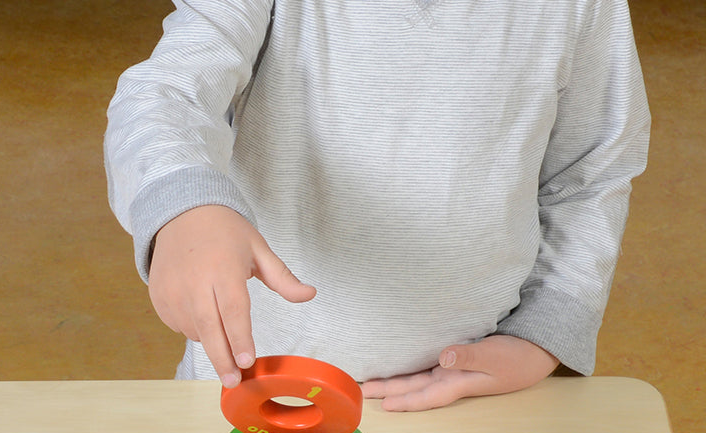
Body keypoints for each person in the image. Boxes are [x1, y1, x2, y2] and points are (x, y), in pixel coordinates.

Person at [104, 0, 650, 411]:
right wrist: (184, 206)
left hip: (473, 394)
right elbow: (167, 94)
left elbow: (591, 169)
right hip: (253, 393)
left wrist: (542, 333)